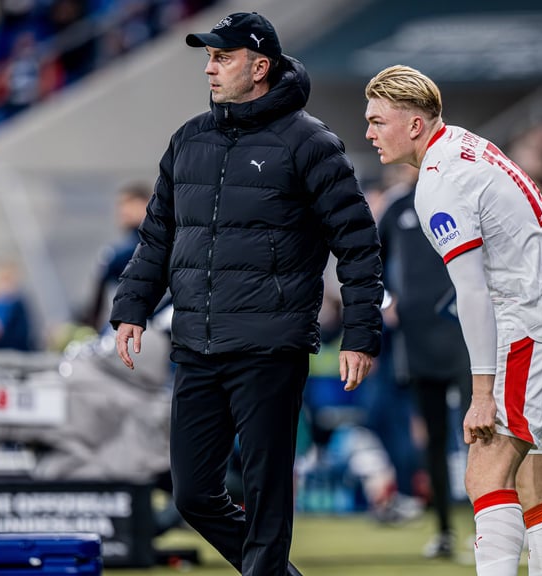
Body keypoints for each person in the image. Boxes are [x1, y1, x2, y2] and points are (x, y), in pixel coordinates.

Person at [110, 12, 383, 576]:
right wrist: (132, 307)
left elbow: (358, 246)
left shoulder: (311, 143)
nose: (209, 68)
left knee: (265, 496)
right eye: (208, 58)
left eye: (223, 57)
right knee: (191, 494)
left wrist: (360, 333)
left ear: (260, 68)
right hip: (195, 343)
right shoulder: (188, 139)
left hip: (270, 344)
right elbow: (159, 234)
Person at [364, 64, 542, 576]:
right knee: (537, 482)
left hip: (534, 325)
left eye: (378, 121)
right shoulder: (467, 145)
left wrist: (481, 393)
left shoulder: (439, 184)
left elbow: (471, 293)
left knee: (485, 472)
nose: (368, 133)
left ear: (414, 125)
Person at [377, 163, 471, 558]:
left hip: (467, 335)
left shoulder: (463, 200)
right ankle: (445, 530)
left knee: (479, 435)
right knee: (431, 437)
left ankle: (493, 526)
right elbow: (368, 263)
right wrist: (386, 302)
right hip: (416, 338)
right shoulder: (398, 208)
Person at [84, 181, 151, 330]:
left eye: (130, 203)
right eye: (120, 204)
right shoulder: (115, 253)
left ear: (147, 204)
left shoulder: (123, 253)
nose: (123, 210)